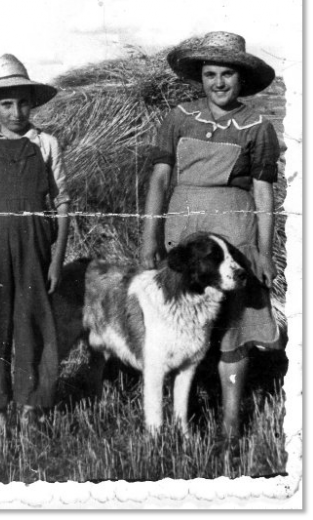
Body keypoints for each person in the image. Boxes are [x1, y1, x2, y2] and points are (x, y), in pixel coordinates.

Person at [140, 32, 282, 445]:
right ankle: (172, 423)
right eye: (210, 74)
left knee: (233, 330)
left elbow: (262, 191)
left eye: (227, 75)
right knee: (179, 319)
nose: (219, 83)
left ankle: (231, 428)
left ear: (242, 79)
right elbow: (161, 177)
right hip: (183, 234)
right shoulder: (179, 117)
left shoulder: (257, 127)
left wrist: (264, 249)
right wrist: (149, 237)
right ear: (200, 78)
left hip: (235, 230)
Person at [0, 54, 70, 424]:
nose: (16, 111)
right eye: (6, 103)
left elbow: (64, 204)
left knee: (33, 321)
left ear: (32, 103)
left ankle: (31, 406)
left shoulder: (46, 144)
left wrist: (56, 260)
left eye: (23, 101)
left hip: (35, 242)